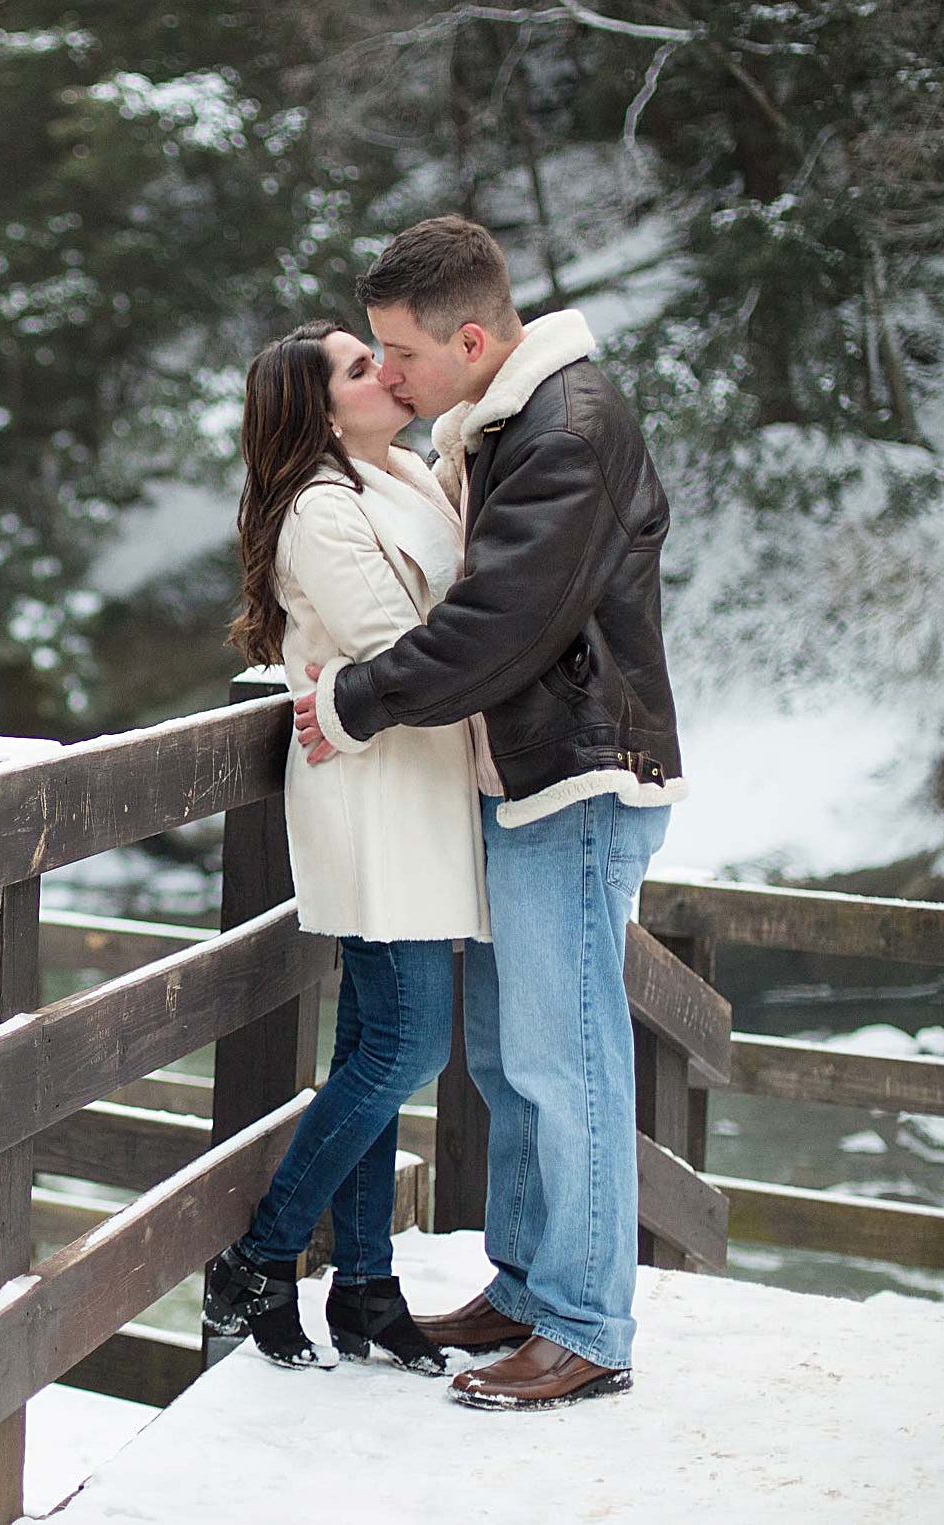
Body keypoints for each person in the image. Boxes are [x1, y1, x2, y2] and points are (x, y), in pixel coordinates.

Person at [292, 216, 686, 1410]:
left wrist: (354, 703)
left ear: (470, 338)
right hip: (523, 779)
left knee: (568, 1061)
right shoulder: (509, 419)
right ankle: (526, 1287)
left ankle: (584, 1323)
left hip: (573, 779)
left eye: (399, 353)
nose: (389, 378)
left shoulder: (568, 428)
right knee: (517, 1064)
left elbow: (500, 625)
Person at [204, 318, 491, 1375]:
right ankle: (261, 1253)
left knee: (373, 1045)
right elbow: (396, 650)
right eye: (359, 367)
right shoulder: (322, 509)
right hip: (374, 793)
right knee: (407, 1047)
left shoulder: (400, 475)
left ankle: (365, 1285)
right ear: (322, 411)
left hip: (415, 784)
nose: (387, 373)